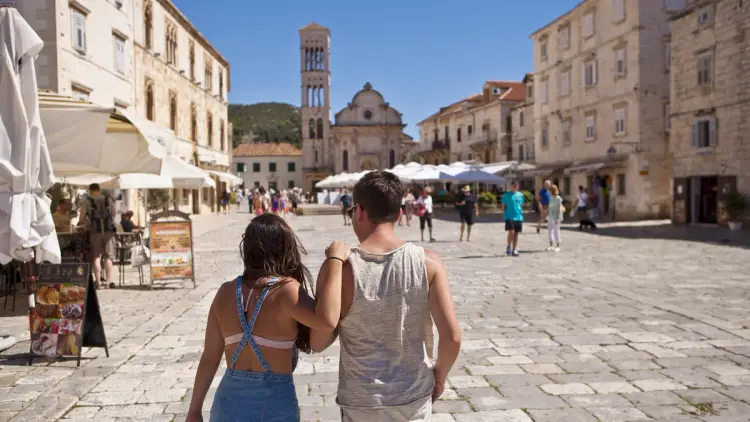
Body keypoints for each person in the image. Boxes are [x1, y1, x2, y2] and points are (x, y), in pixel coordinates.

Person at [310, 171, 461, 421]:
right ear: (399, 214)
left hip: (361, 401)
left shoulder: (339, 267)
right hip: (413, 396)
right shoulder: (429, 263)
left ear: (359, 211)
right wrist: (440, 379)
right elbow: (452, 337)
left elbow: (317, 341)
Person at [186, 214, 346, 422]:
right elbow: (327, 321)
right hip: (273, 403)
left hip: (226, 404)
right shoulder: (285, 291)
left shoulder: (225, 292)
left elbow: (209, 357)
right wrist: (335, 261)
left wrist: (194, 411)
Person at [78, 183, 116, 289]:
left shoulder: (87, 201)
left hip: (95, 231)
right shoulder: (108, 199)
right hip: (109, 231)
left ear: (90, 190)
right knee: (108, 256)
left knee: (96, 256)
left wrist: (82, 224)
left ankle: (98, 282)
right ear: (99, 190)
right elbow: (113, 213)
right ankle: (107, 282)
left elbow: (82, 217)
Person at [501, 181, 525, 257]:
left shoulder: (520, 195)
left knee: (516, 233)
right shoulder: (506, 195)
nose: (515, 186)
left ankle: (514, 249)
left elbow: (521, 204)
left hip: (518, 216)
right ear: (511, 186)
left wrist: (520, 211)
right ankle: (509, 246)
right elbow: (503, 205)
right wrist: (504, 214)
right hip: (509, 216)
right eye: (513, 185)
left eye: (516, 185)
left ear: (518, 186)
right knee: (512, 231)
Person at [546, 185, 564, 252]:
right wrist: (547, 215)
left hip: (556, 217)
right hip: (550, 216)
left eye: (549, 190)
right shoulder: (550, 198)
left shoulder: (558, 198)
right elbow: (549, 207)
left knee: (556, 231)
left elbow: (559, 208)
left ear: (552, 190)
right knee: (550, 231)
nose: (548, 191)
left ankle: (558, 246)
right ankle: (551, 245)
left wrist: (557, 218)